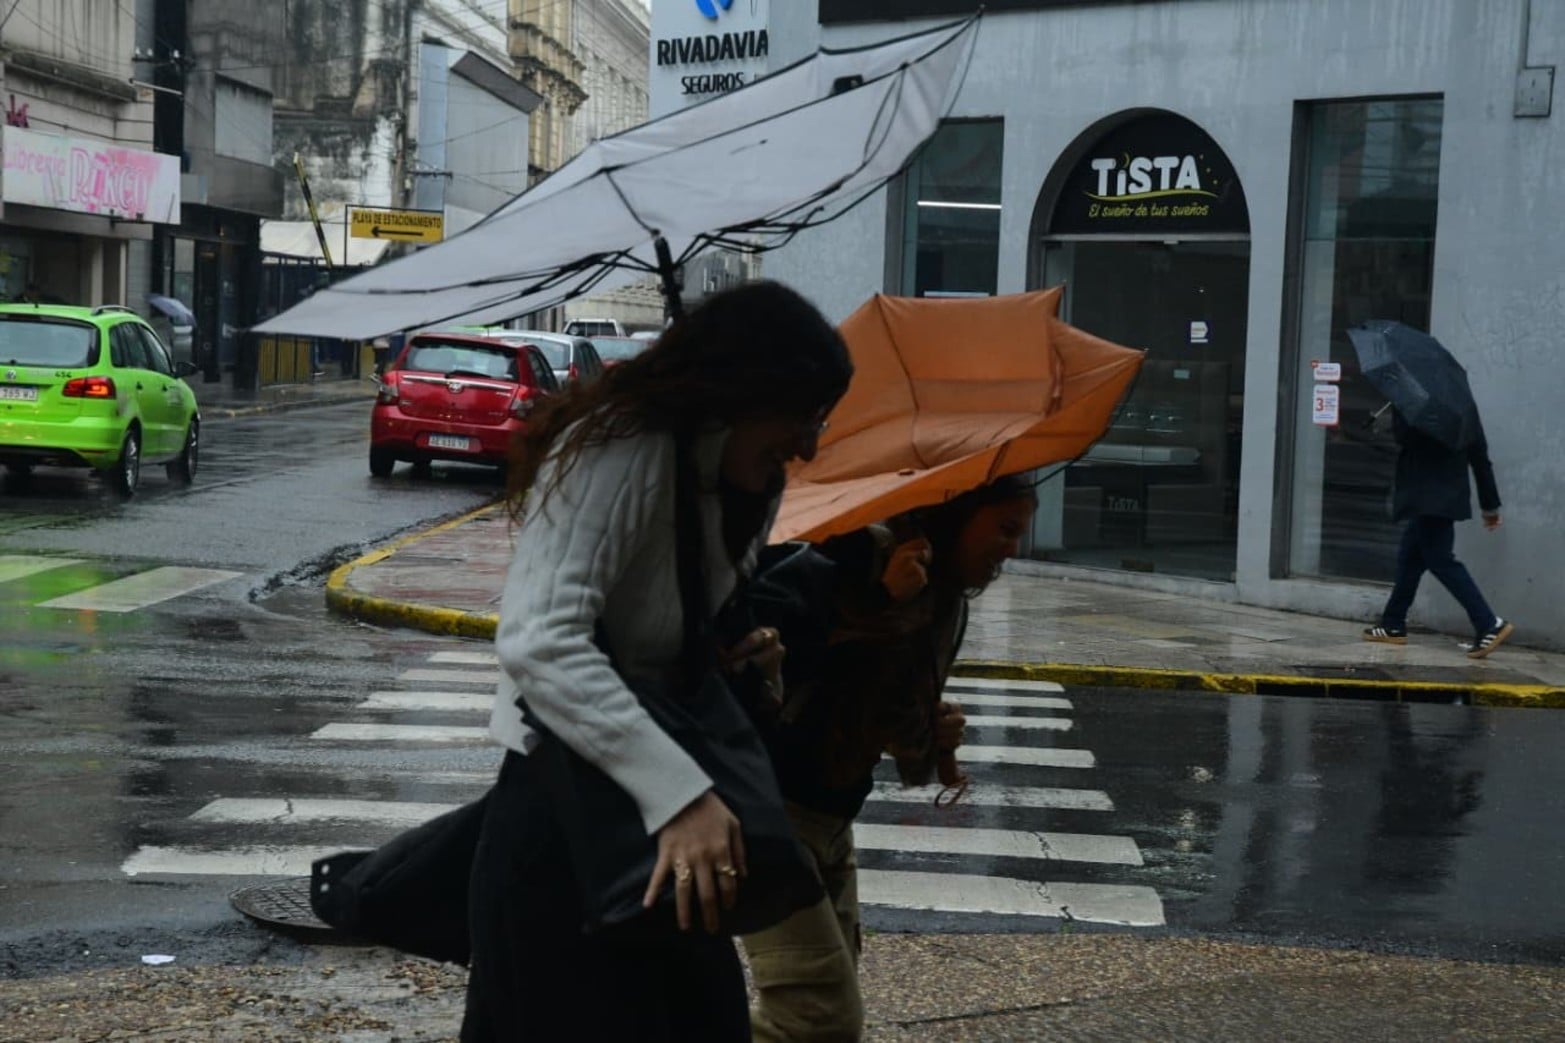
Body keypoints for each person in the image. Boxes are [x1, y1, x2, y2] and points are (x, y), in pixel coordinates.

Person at [461, 280, 854, 1042]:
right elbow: (539, 639)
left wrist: (732, 650)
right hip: (568, 813)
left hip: (662, 808)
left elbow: (662, 628)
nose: (807, 444)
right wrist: (679, 796)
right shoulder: (616, 445)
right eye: (801, 413)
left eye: (821, 418)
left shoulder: (744, 476)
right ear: (741, 388)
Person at [740, 475, 1039, 1042]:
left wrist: (932, 729)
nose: (1012, 550)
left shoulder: (945, 602)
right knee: (818, 1020)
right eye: (1003, 530)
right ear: (958, 518)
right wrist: (879, 602)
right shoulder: (850, 559)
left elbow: (893, 734)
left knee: (826, 1016)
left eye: (1019, 534)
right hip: (771, 812)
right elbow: (755, 653)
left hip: (832, 821)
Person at [1363, 407, 1513, 658]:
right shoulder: (1464, 409)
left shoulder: (1417, 407)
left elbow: (1404, 437)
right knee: (1410, 557)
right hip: (1447, 498)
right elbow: (1480, 457)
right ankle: (1392, 623)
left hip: (1426, 498)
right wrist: (1490, 506)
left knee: (1441, 560)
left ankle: (1488, 623)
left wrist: (1396, 411)